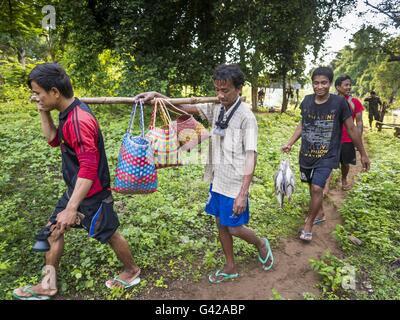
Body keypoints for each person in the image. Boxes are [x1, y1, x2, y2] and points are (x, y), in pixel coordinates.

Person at [135, 64, 273, 283]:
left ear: (238, 89)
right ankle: (230, 266)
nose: (220, 95)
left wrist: (243, 193)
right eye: (217, 89)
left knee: (235, 228)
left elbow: (251, 155)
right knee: (220, 223)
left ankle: (260, 243)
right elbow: (184, 109)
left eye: (225, 90)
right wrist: (157, 96)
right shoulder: (217, 108)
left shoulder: (247, 118)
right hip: (218, 177)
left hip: (236, 181)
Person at [13, 63, 141, 300]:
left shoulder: (78, 121)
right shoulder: (67, 113)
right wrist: (43, 111)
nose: (35, 97)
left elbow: (90, 167)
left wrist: (72, 208)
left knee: (110, 233)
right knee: (53, 232)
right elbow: (53, 139)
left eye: (38, 93)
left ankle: (132, 270)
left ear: (54, 92)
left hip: (92, 193)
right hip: (76, 189)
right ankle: (48, 285)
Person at [282, 67, 370, 242]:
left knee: (317, 188)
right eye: (316, 83)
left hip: (328, 155)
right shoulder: (306, 101)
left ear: (330, 84)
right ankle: (320, 211)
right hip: (306, 154)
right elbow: (302, 124)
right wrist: (290, 142)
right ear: (312, 83)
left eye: (324, 83)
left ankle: (309, 224)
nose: (319, 86)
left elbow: (351, 128)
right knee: (311, 186)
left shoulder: (339, 103)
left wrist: (363, 153)